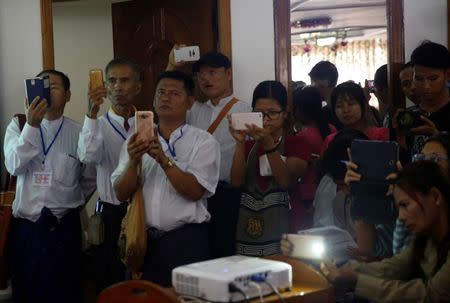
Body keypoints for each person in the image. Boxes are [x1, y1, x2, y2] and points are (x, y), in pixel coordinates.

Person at [112, 70, 220, 286]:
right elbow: (121, 193)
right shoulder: (134, 141)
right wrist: (133, 161)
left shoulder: (204, 142)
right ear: (153, 100)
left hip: (185, 242)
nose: (165, 98)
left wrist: (163, 159)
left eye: (174, 93)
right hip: (141, 241)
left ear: (190, 102)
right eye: (161, 92)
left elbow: (195, 191)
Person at [4, 69, 96, 303]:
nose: (46, 91)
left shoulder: (78, 132)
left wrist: (68, 200)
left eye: (53, 86)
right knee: (25, 292)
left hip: (64, 228)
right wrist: (32, 126)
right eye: (41, 85)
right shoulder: (18, 125)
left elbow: (89, 178)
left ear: (68, 95)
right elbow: (14, 165)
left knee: (65, 293)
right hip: (26, 230)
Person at [318, 161, 450, 302]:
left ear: (435, 197)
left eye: (405, 205)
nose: (401, 216)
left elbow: (430, 296)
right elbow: (393, 267)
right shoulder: (426, 239)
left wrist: (357, 281)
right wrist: (343, 268)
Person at [168, 47, 251, 258]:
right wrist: (172, 65)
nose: (206, 79)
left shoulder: (245, 110)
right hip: (195, 194)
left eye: (212, 72)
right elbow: (166, 98)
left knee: (225, 252)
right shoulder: (194, 110)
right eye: (201, 75)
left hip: (228, 194)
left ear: (229, 74)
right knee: (199, 251)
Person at [77, 58, 142, 292]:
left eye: (125, 81)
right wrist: (91, 113)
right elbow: (88, 156)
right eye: (112, 81)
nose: (118, 87)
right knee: (110, 282)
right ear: (104, 85)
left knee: (141, 281)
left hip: (143, 211)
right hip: (110, 213)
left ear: (138, 86)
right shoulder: (98, 124)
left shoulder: (148, 123)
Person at [229, 80, 310, 256]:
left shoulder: (298, 143)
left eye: (272, 113)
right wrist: (239, 144)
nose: (265, 119)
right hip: (251, 225)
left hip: (290, 224)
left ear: (285, 114)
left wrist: (269, 145)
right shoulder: (250, 146)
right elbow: (236, 182)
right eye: (259, 113)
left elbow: (286, 182)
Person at [290, 85, 336, 231]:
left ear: (299, 110)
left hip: (307, 193)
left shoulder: (303, 136)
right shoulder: (331, 129)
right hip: (329, 190)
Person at [400, 41, 450, 157]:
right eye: (419, 78)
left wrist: (438, 138)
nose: (426, 86)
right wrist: (399, 137)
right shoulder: (409, 115)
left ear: (447, 75)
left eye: (433, 78)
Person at [321, 81, 389, 154]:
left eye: (351, 103)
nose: (346, 110)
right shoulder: (331, 141)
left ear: (363, 105)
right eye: (339, 106)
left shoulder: (382, 135)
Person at [308, 61, 340, 128]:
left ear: (325, 82)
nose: (311, 86)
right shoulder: (328, 107)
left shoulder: (328, 112)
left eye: (313, 82)